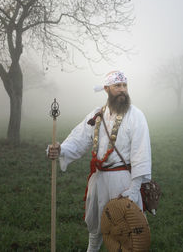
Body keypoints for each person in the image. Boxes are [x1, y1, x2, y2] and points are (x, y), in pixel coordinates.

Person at [47, 70, 152, 252]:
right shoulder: (96, 115)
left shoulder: (136, 116)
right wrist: (60, 149)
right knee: (95, 225)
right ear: (106, 89)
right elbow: (78, 140)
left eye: (124, 86)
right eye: (117, 86)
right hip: (99, 179)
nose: (122, 90)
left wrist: (134, 189)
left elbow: (141, 153)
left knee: (124, 231)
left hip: (123, 182)